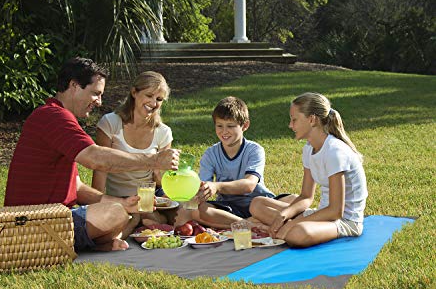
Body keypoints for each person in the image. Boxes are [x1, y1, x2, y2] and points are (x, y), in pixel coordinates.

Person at [4, 57, 179, 252]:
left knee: (119, 211)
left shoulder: (56, 116)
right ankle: (53, 243)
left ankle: (96, 243)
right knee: (115, 215)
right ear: (74, 85)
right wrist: (154, 160)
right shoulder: (54, 117)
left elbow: (76, 187)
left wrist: (122, 202)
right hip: (34, 221)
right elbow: (96, 158)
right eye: (95, 93)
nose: (99, 101)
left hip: (50, 216)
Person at [249, 92, 368, 248]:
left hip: (344, 221)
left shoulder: (334, 152)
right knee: (257, 204)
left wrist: (291, 224)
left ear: (312, 120)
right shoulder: (309, 148)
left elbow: (335, 211)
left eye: (294, 119)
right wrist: (285, 215)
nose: (290, 125)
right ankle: (281, 228)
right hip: (322, 213)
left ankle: (283, 229)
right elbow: (306, 196)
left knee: (297, 233)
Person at [176, 96, 292, 229]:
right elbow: (203, 187)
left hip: (258, 204)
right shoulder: (210, 154)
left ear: (245, 125)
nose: (224, 131)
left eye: (230, 126)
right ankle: (250, 224)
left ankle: (246, 223)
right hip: (228, 208)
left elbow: (249, 185)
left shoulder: (254, 150)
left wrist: (217, 186)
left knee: (293, 200)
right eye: (219, 126)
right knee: (197, 211)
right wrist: (198, 191)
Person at [92, 71, 172, 227]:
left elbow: (162, 182)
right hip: (116, 199)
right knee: (134, 219)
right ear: (134, 92)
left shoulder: (163, 132)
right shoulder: (110, 123)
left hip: (147, 200)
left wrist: (159, 172)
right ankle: (139, 220)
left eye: (159, 99)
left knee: (184, 213)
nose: (154, 103)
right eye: (149, 95)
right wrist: (96, 205)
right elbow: (100, 168)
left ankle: (142, 220)